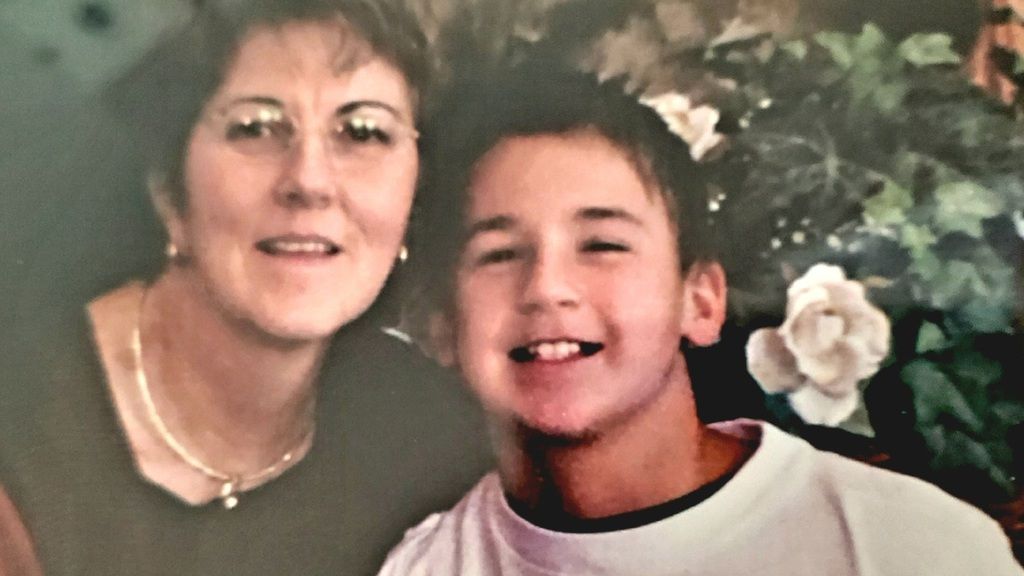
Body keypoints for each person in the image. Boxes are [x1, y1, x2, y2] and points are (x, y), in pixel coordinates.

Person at [378, 62, 1023, 575]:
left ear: (702, 300)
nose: (547, 287)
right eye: (498, 254)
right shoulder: (424, 566)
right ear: (440, 325)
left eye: (602, 245)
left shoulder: (909, 548)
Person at [0, 0, 489, 574]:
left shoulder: (430, 439)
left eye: (362, 132)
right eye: (255, 127)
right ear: (170, 192)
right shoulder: (22, 421)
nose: (309, 181)